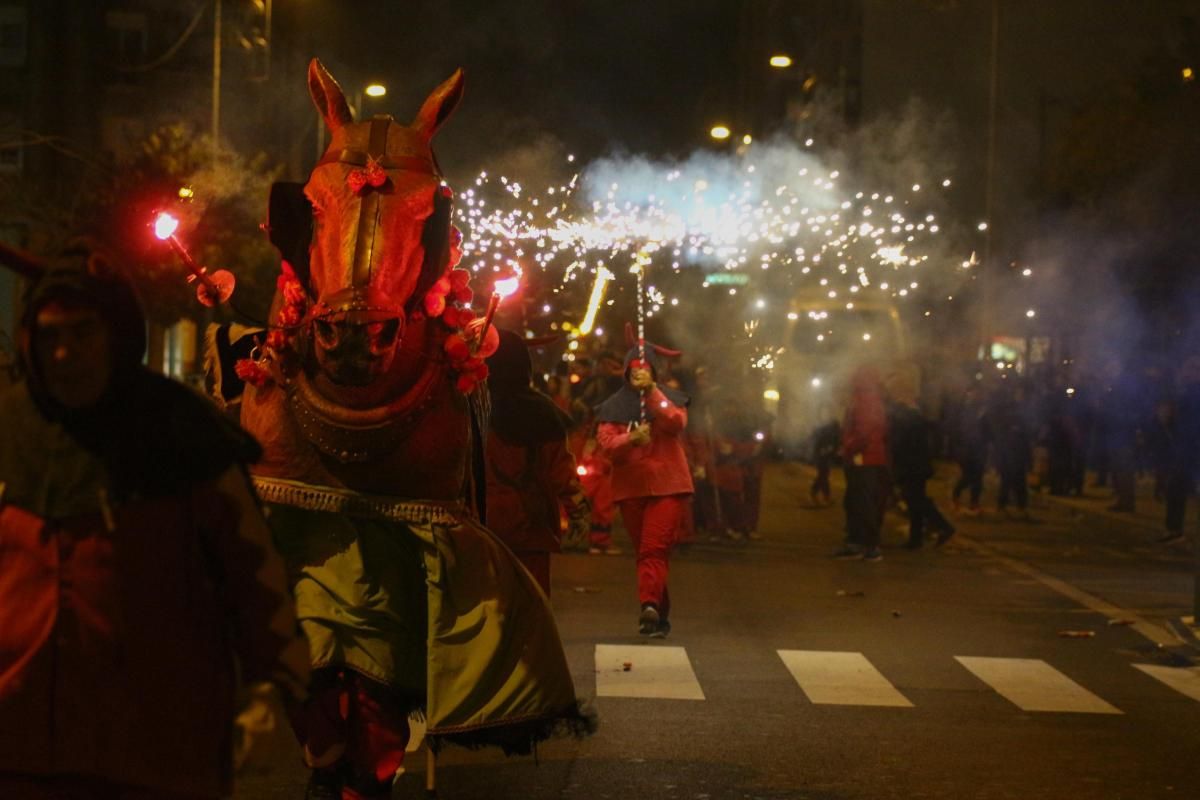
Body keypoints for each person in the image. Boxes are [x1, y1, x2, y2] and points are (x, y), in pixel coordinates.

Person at [0, 263, 311, 800]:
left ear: (116, 336)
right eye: (50, 336)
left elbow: (253, 572)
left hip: (158, 750)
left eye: (82, 333)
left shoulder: (183, 430)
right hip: (20, 746)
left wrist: (271, 686)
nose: (65, 355)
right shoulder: (6, 430)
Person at [596, 339, 692, 638]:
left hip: (666, 486)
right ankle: (659, 615)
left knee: (653, 549)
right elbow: (607, 445)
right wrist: (630, 440)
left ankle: (648, 604)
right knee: (647, 553)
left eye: (645, 371)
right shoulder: (613, 406)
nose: (638, 376)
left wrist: (652, 392)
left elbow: (675, 422)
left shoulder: (668, 399)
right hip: (631, 488)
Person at [484, 330, 591, 594]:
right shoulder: (543, 414)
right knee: (531, 605)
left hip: (480, 525)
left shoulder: (470, 408)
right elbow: (561, 472)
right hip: (531, 523)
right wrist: (578, 512)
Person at [886, 369, 955, 549]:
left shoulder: (907, 413)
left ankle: (942, 527)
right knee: (914, 499)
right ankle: (917, 538)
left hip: (912, 464)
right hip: (915, 463)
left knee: (915, 499)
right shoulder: (911, 411)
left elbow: (902, 440)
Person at [833, 365, 889, 561]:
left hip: (864, 459)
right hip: (866, 458)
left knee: (861, 503)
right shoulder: (870, 400)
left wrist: (848, 446)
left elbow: (863, 432)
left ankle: (866, 545)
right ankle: (860, 543)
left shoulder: (864, 401)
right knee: (857, 502)